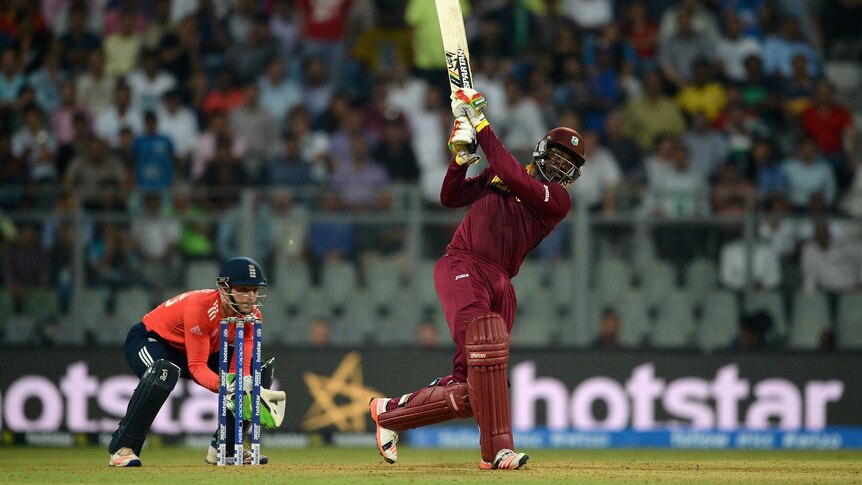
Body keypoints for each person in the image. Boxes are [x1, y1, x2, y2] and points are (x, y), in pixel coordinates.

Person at [368, 87, 586, 470]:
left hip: (501, 282)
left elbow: (511, 174)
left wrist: (480, 124)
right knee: (484, 360)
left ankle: (388, 413)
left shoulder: (555, 198)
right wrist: (460, 160)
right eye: (556, 154)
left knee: (476, 389)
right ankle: (498, 452)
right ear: (541, 150)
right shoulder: (503, 172)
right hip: (463, 265)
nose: (559, 165)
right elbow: (450, 198)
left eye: (569, 163)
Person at [108, 256, 280, 467]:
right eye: (243, 289)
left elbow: (239, 368)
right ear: (224, 288)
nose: (250, 297)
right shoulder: (200, 307)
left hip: (202, 349)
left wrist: (241, 384)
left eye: (254, 290)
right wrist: (223, 385)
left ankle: (225, 448)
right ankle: (122, 448)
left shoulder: (253, 317)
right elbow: (196, 366)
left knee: (257, 372)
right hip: (152, 340)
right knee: (160, 372)